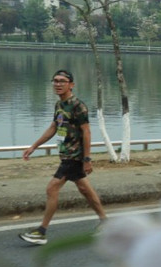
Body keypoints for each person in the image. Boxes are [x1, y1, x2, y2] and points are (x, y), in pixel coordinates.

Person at [19, 69, 106, 245]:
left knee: (52, 189)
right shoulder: (59, 105)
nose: (58, 84)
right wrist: (34, 146)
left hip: (74, 156)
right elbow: (53, 127)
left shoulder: (78, 106)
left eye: (62, 81)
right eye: (55, 81)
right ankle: (105, 222)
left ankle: (41, 232)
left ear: (71, 85)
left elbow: (87, 132)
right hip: (65, 154)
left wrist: (87, 159)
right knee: (85, 190)